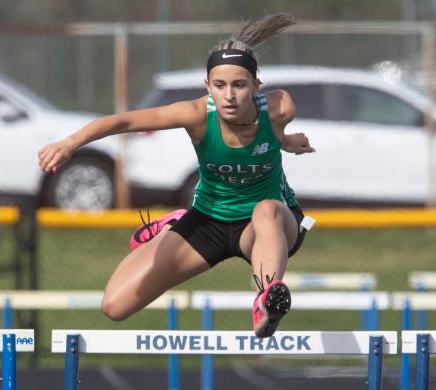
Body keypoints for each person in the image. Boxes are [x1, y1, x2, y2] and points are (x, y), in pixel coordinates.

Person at [37, 13, 315, 337]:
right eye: (220, 86)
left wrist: (283, 142)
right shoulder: (196, 114)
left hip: (269, 226)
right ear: (207, 86)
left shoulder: (280, 107)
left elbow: (265, 134)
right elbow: (125, 122)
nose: (229, 96)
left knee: (265, 209)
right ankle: (172, 225)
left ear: (256, 86)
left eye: (239, 85)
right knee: (114, 306)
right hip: (208, 221)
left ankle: (266, 302)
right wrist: (70, 142)